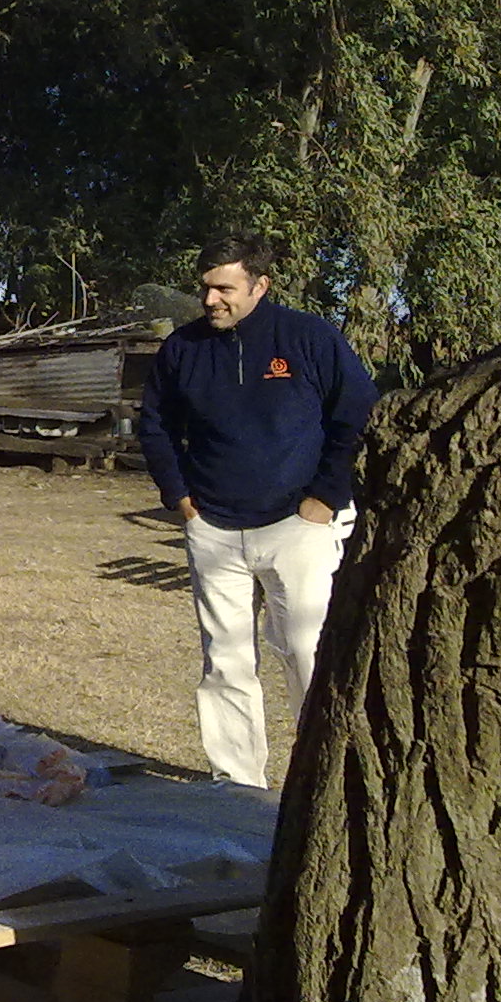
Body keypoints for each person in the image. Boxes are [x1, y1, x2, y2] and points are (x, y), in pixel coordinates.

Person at [139, 236, 378, 787]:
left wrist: (325, 498)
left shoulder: (308, 338)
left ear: (260, 286)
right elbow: (154, 425)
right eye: (205, 288)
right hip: (214, 527)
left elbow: (358, 416)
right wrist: (180, 498)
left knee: (306, 651)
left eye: (225, 288)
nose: (211, 300)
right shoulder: (183, 348)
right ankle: (237, 784)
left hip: (299, 525)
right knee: (225, 662)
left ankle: (323, 781)